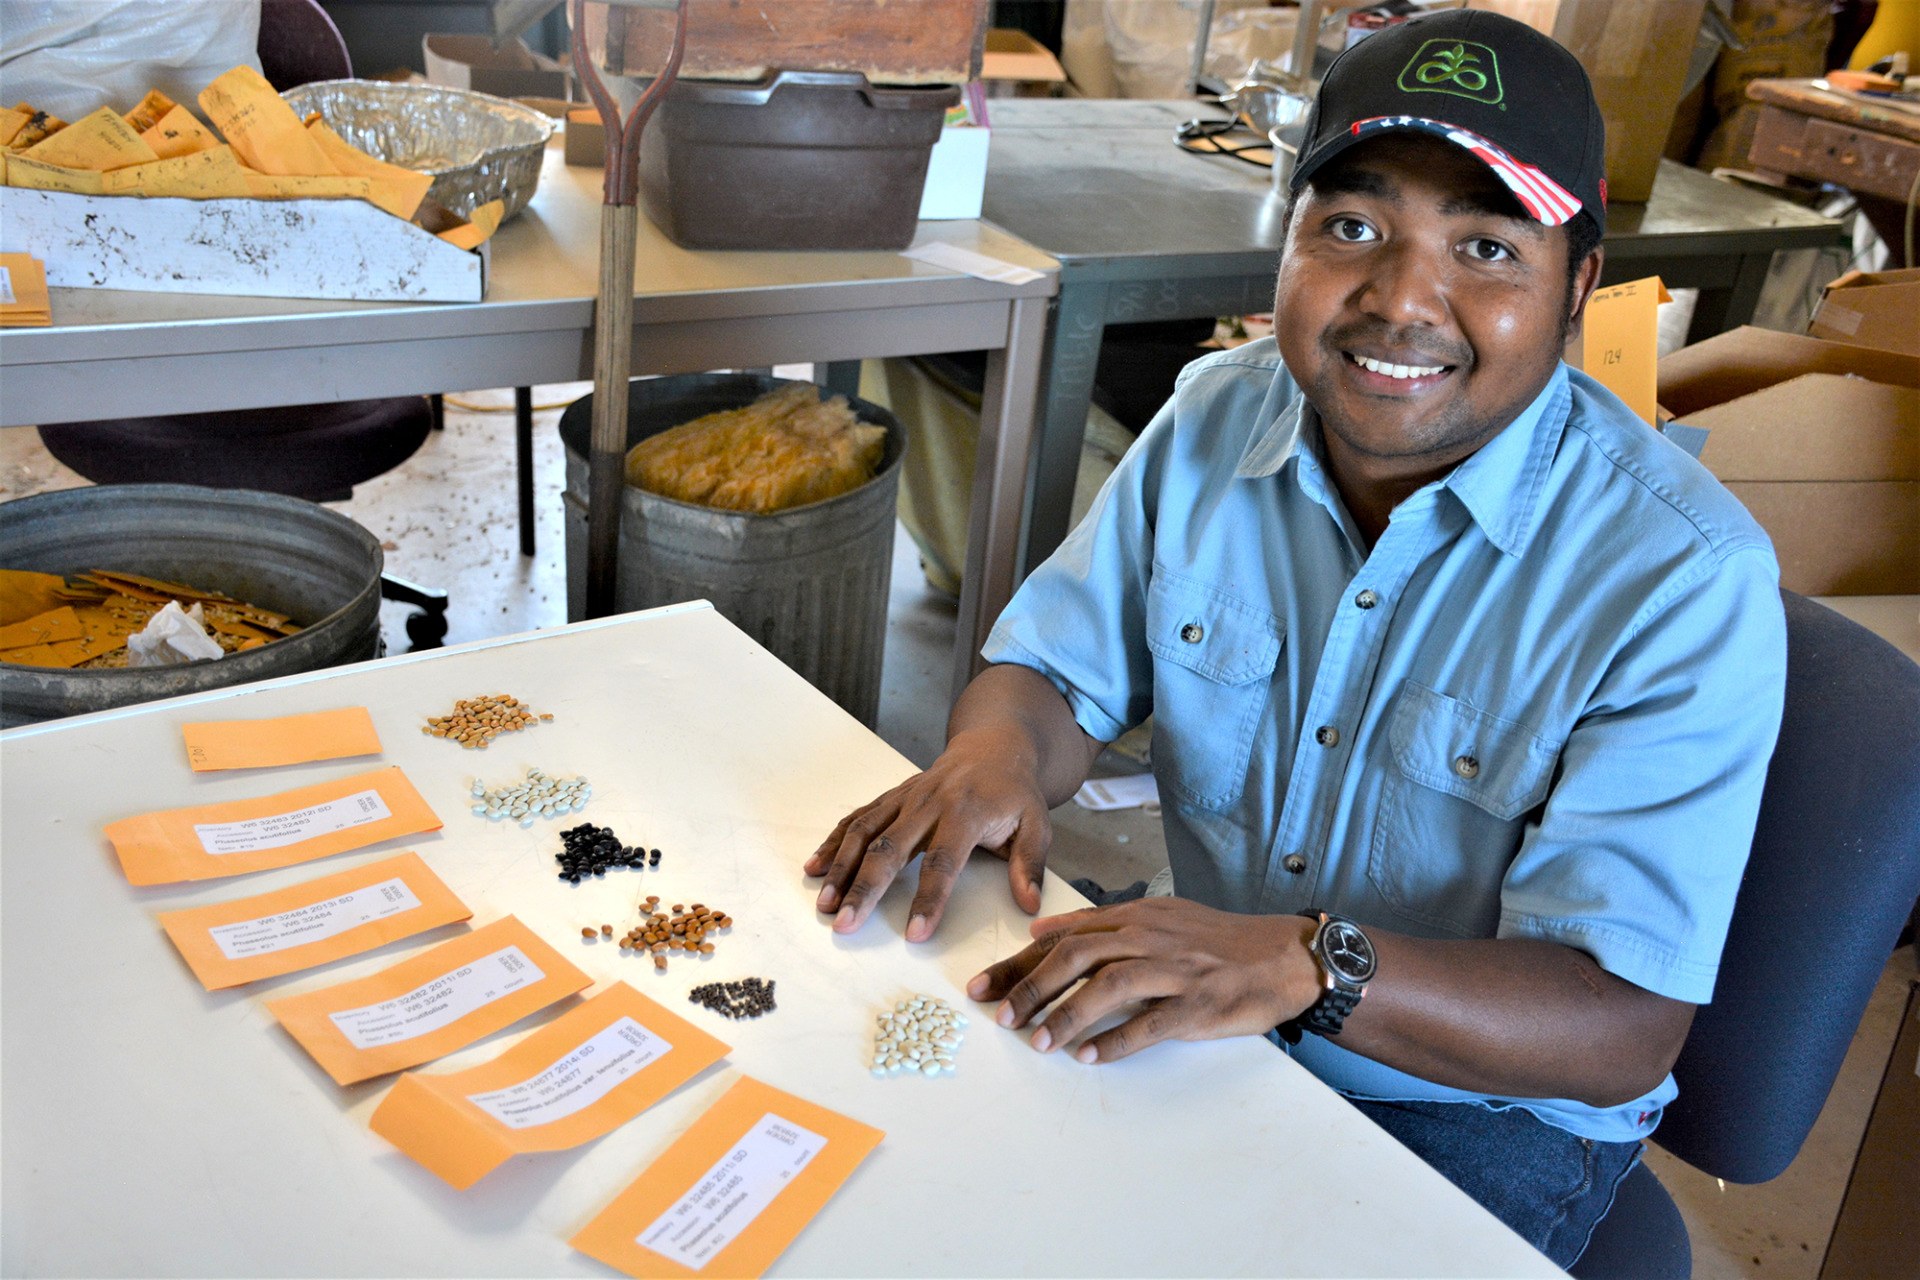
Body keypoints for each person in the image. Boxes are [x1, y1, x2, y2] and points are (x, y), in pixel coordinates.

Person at [805, 8, 1786, 1267]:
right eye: (1354, 228)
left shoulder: (1679, 577)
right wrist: (996, 755)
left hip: (1471, 1111)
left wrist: (1311, 964)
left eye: (1486, 247)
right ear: (1290, 233)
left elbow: (1621, 1022)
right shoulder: (1215, 421)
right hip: (1218, 1015)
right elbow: (1052, 667)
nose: (1401, 302)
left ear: (1577, 285)